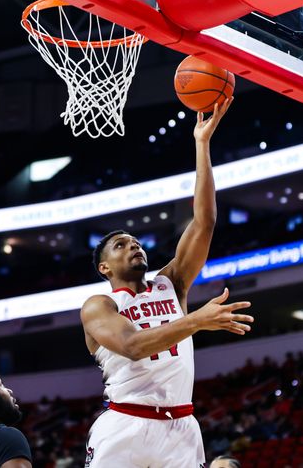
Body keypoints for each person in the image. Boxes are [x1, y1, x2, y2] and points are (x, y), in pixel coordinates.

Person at [81, 98, 253, 468]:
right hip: (125, 424)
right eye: (121, 245)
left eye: (137, 242)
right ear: (104, 268)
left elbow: (204, 222)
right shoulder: (99, 305)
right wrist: (197, 321)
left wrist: (202, 144)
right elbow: (132, 345)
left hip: (181, 427)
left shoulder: (170, 284)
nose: (134, 246)